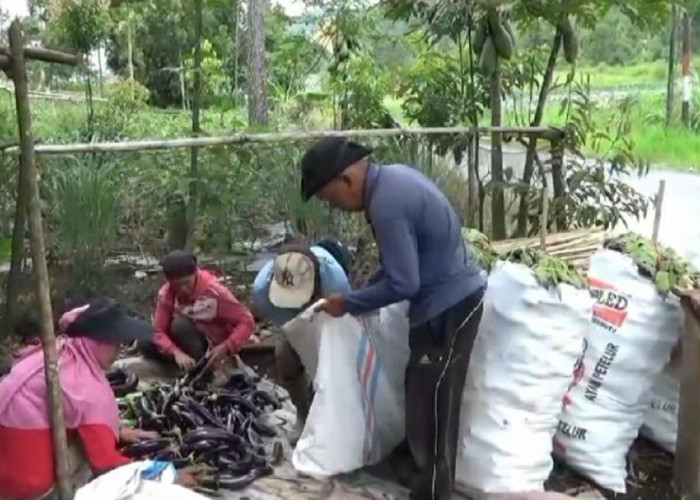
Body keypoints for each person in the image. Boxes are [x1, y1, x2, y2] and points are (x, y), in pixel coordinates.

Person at [300, 137, 487, 500]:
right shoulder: (393, 181)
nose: (334, 206)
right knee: (419, 388)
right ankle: (415, 470)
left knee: (434, 402)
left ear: (346, 181)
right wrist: (361, 295)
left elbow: (404, 281)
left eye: (328, 197)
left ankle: (433, 492)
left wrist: (350, 304)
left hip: (449, 308)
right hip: (441, 303)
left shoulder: (386, 203)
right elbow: (397, 265)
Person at [0, 298, 200, 500]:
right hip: (27, 488)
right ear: (97, 343)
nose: (119, 349)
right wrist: (167, 477)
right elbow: (106, 463)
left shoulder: (53, 355)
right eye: (115, 343)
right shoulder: (84, 386)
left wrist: (119, 431)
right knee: (96, 463)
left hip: (5, 471)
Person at [252, 238, 352, 422]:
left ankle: (337, 413)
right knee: (286, 360)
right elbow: (292, 331)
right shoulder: (262, 291)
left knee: (333, 363)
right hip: (289, 316)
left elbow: (342, 322)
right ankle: (304, 415)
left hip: (326, 308)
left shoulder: (336, 283)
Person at [140, 251, 256, 376]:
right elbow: (158, 331)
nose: (182, 289)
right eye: (177, 285)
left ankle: (206, 370)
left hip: (209, 341)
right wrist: (176, 353)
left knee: (180, 325)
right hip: (184, 342)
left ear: (195, 274)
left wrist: (226, 346)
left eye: (186, 283)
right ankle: (182, 367)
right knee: (144, 340)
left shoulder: (214, 291)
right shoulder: (166, 294)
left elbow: (246, 320)